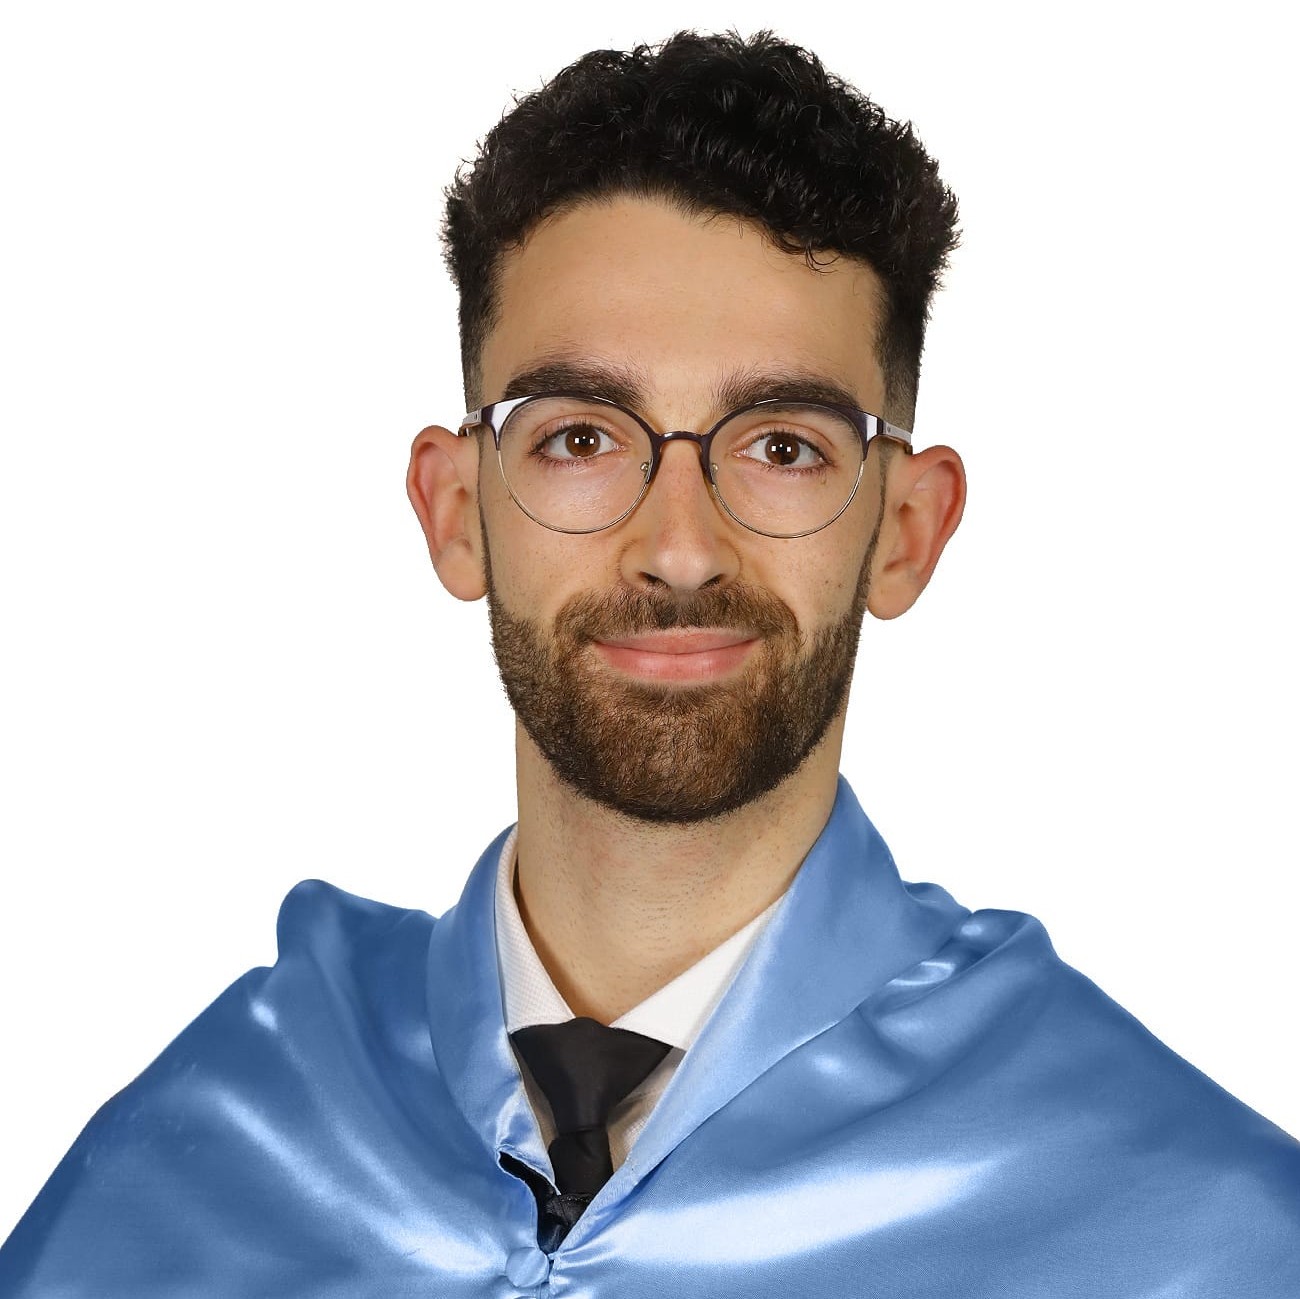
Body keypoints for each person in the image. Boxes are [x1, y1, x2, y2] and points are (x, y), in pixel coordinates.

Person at [2, 28, 1297, 1296]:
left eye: (782, 446)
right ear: (455, 511)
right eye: (580, 438)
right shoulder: (201, 1161)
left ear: (907, 530)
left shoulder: (1196, 1235)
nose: (679, 550)